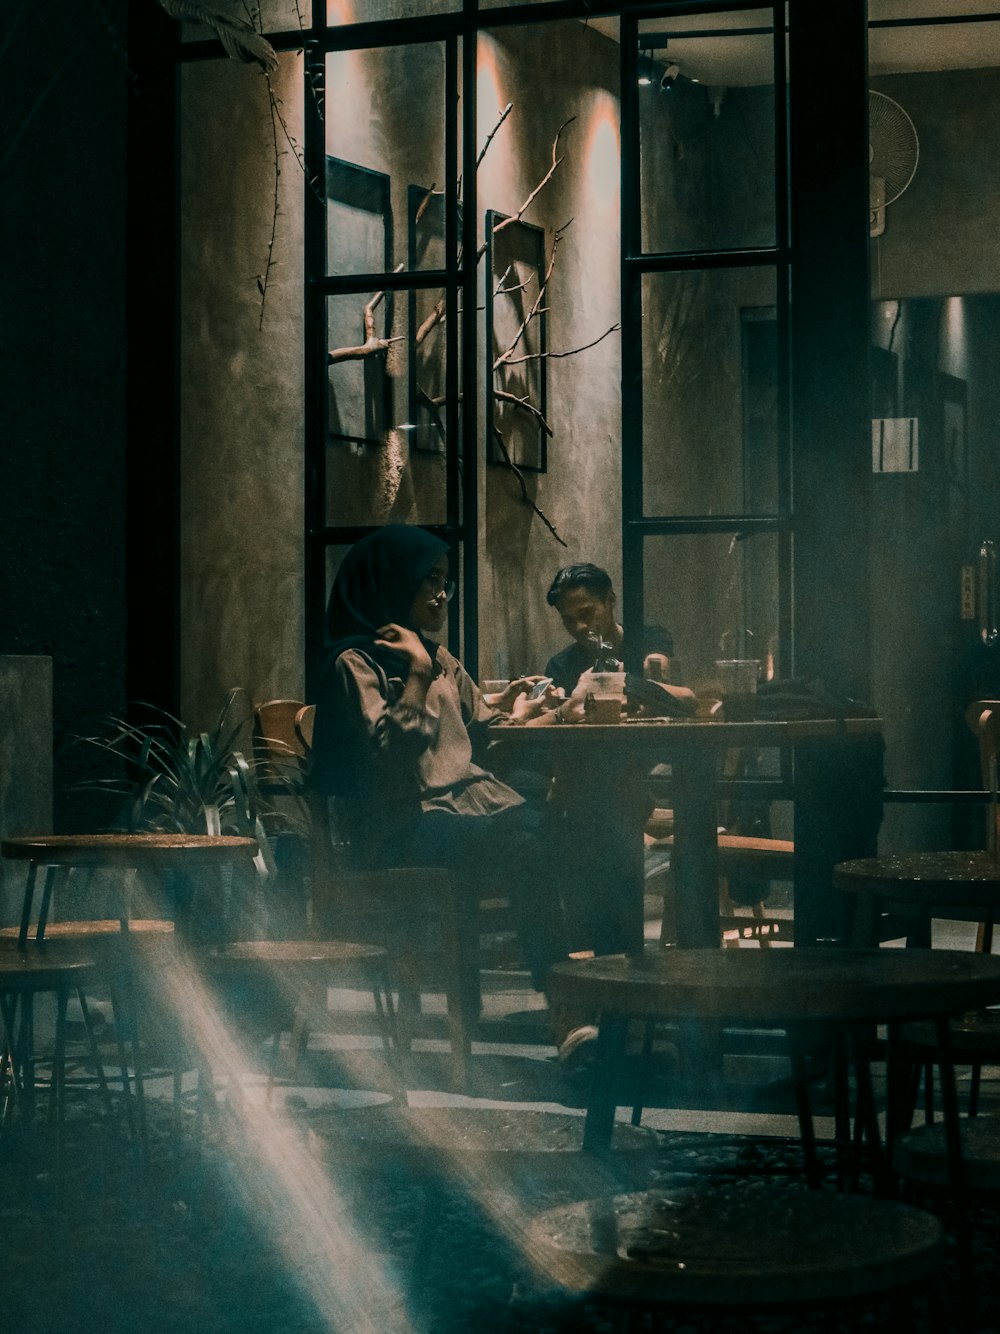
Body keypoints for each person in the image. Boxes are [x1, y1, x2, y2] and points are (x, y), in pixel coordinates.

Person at [308, 524, 585, 1013]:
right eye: (429, 580)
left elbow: (486, 725)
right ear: (393, 581)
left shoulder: (439, 657)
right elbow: (394, 750)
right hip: (398, 824)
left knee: (572, 826)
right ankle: (568, 1009)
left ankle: (601, 989)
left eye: (445, 582)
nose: (441, 595)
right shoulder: (354, 664)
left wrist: (557, 709)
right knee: (524, 846)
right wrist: (415, 671)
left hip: (459, 809)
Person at [544, 563, 675, 695]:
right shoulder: (559, 666)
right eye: (569, 619)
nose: (579, 627)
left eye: (586, 614)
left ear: (610, 600)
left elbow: (657, 674)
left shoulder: (648, 637)